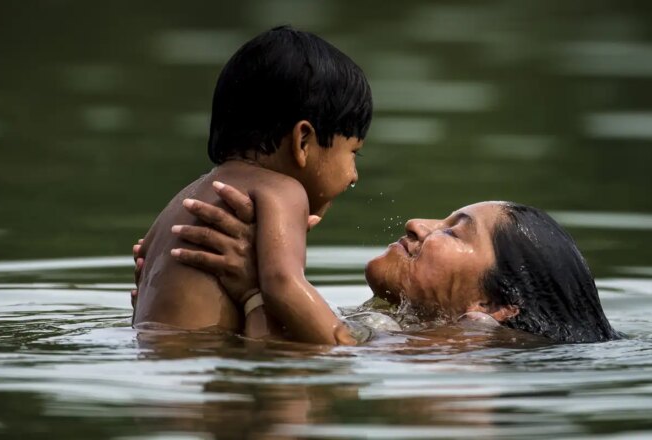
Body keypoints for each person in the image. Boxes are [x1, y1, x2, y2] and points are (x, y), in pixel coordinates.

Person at [135, 182, 621, 344]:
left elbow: (288, 371)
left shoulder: (454, 358)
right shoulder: (406, 334)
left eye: (453, 230)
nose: (416, 223)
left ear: (493, 305)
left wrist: (256, 288)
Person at [131, 25, 373, 345]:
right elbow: (283, 284)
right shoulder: (283, 191)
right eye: (353, 152)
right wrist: (344, 342)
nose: (354, 175)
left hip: (153, 368)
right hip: (206, 370)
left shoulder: (183, 200)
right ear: (303, 141)